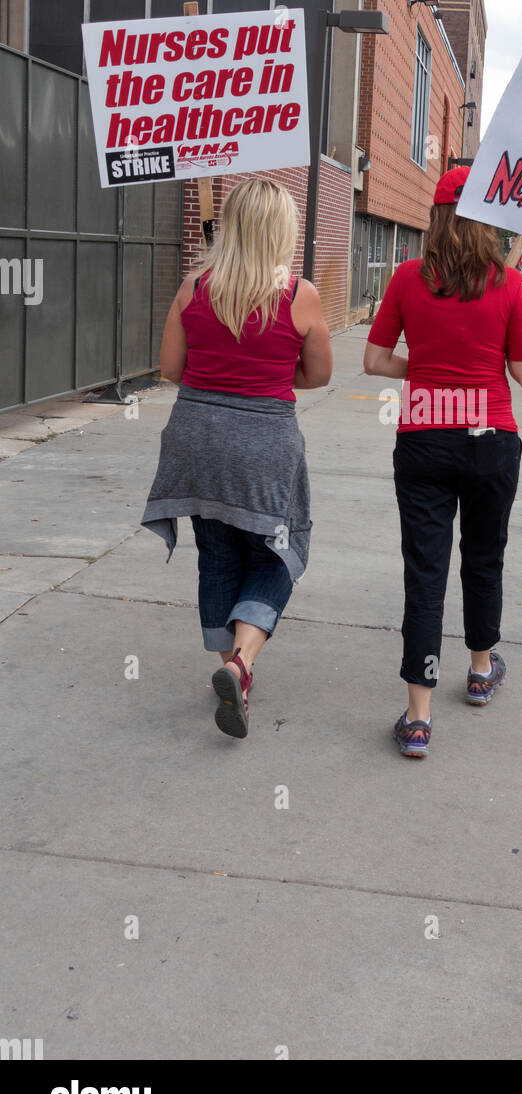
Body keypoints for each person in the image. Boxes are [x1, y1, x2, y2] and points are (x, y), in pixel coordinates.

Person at [142, 177, 332, 739]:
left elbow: (172, 370)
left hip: (195, 438)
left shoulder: (194, 286)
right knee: (279, 553)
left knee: (219, 556)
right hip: (263, 444)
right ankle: (241, 663)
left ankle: (230, 668)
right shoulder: (299, 294)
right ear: (282, 231)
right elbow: (319, 374)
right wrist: (271, 373)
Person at [363, 165, 522, 758]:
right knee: (484, 557)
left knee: (426, 572)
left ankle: (418, 717)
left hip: (424, 440)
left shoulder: (409, 278)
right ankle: (481, 669)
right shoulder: (510, 286)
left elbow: (373, 359)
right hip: (491, 438)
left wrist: (428, 368)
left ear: (434, 217)